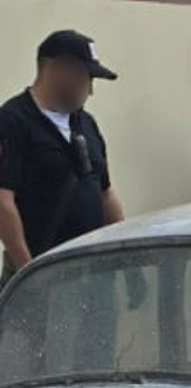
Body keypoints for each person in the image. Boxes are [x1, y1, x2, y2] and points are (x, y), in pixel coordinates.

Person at [0, 30, 124, 287]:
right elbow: (3, 201)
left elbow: (105, 192)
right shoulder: (13, 121)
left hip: (93, 270)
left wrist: (127, 260)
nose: (89, 91)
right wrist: (28, 272)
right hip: (45, 271)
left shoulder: (86, 123)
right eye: (83, 78)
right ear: (55, 70)